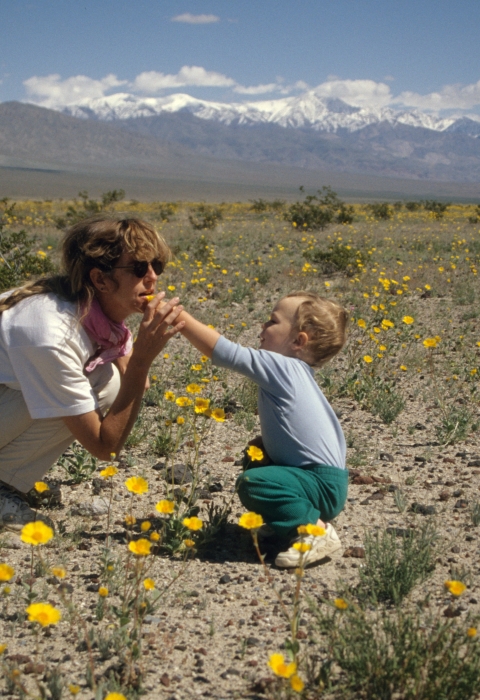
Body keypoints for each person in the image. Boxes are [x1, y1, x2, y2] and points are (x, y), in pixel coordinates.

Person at [0, 216, 184, 531]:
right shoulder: (52, 334)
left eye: (157, 266)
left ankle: (5, 481)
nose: (153, 278)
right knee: (99, 386)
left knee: (107, 382)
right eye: (139, 268)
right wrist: (141, 359)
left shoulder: (93, 314)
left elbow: (135, 384)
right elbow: (104, 447)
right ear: (100, 280)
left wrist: (136, 360)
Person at [177, 290, 349, 568]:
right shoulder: (296, 371)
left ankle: (315, 530)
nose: (263, 327)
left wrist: (178, 317)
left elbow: (226, 353)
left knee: (253, 482)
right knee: (257, 452)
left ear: (298, 340)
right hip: (321, 481)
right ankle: (288, 523)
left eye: (272, 321)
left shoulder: (283, 366)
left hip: (319, 483)